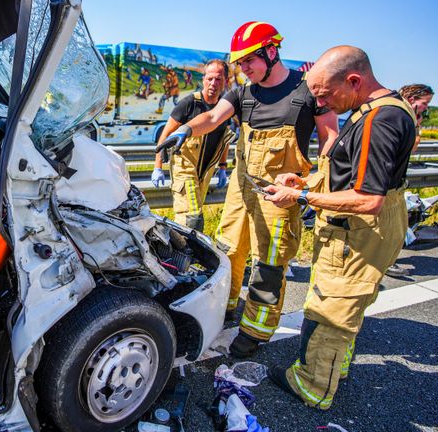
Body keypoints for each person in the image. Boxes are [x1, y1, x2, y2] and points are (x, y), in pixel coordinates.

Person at [158, 21, 338, 357]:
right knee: (227, 251)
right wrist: (186, 130)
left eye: (248, 62)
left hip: (279, 194)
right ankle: (225, 308)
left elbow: (330, 139)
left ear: (271, 51)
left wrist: (315, 187)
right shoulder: (242, 92)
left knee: (268, 264)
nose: (243, 69)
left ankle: (255, 331)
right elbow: (212, 118)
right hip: (242, 190)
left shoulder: (307, 91)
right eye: (239, 64)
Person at [262, 45, 417, 410]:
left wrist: (300, 200)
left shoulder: (379, 122)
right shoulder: (383, 108)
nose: (324, 104)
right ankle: (335, 368)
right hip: (370, 229)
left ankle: (312, 385)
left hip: (358, 233)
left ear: (353, 80)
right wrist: (305, 182)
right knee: (348, 307)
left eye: (326, 94)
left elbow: (367, 198)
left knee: (330, 309)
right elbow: (349, 175)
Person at [151, 59, 234, 231]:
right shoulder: (190, 103)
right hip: (185, 168)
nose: (213, 83)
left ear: (225, 81)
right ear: (203, 79)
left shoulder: (224, 109)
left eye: (218, 79)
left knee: (192, 217)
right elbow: (165, 134)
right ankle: (185, 254)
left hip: (205, 171)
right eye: (209, 78)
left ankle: (180, 251)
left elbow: (224, 140)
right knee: (191, 218)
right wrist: (157, 167)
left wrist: (223, 167)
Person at [385, 84, 434, 277]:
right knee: (392, 227)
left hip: (393, 181)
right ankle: (385, 262)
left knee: (393, 227)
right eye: (425, 103)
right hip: (387, 182)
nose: (426, 108)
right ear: (413, 99)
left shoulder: (404, 115)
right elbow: (410, 147)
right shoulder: (400, 115)